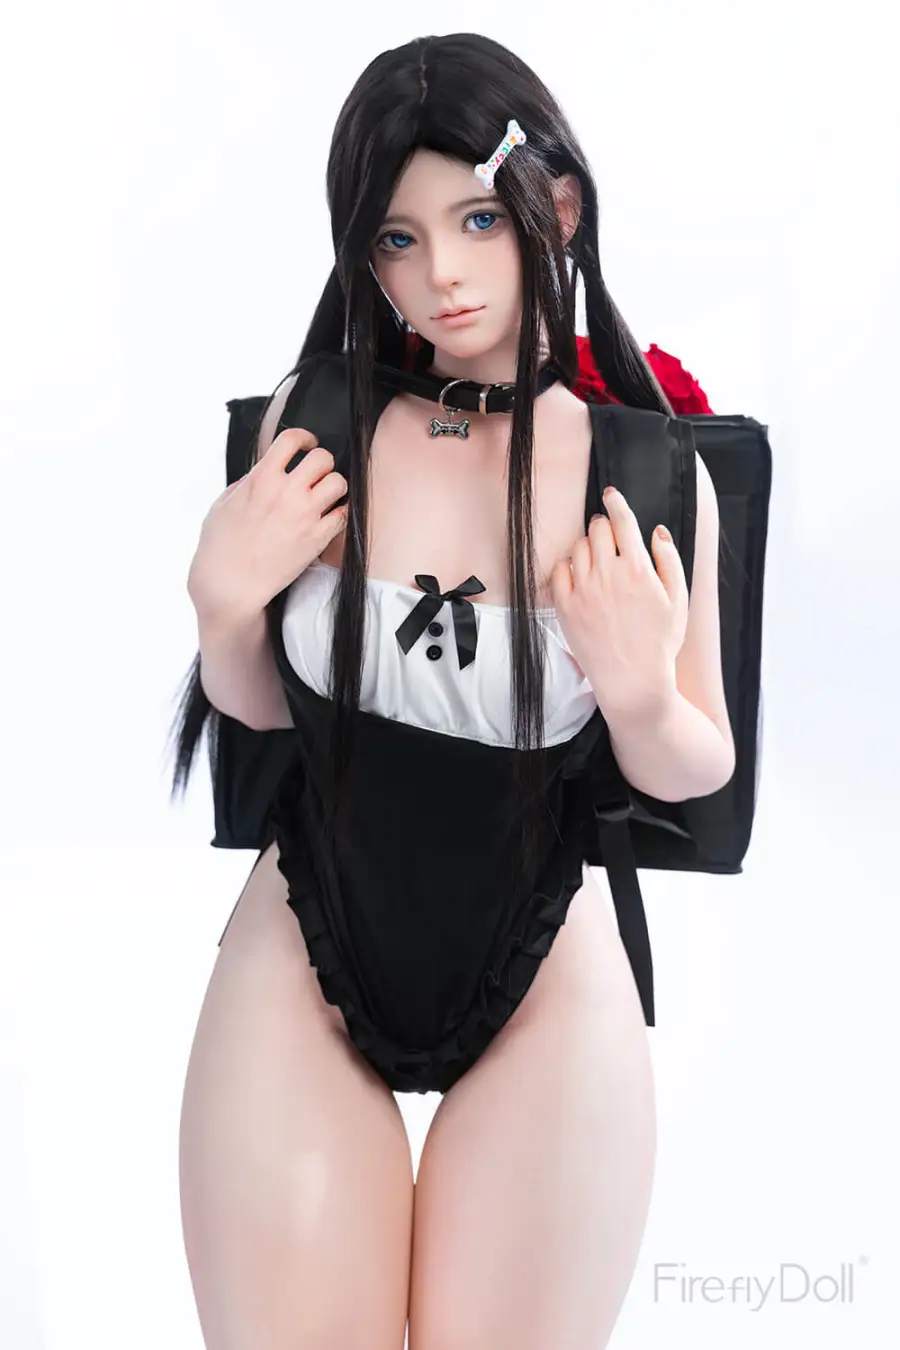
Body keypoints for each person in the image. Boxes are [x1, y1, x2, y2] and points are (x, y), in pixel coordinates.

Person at [171, 31, 730, 1350]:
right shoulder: (317, 422)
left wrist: (642, 696)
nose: (444, 274)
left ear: (558, 209)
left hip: (544, 960)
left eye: (478, 220)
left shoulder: (642, 470)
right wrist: (222, 605)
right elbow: (260, 706)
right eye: (398, 239)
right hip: (304, 933)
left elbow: (699, 760)